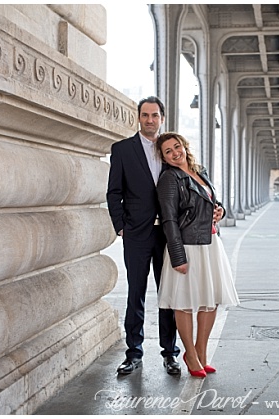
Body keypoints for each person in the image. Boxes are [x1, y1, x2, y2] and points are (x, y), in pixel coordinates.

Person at [155, 132, 240, 378]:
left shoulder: (200, 171)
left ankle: (202, 352)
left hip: (210, 242)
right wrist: (178, 256)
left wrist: (220, 211)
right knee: (184, 303)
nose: (174, 153)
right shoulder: (169, 179)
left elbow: (212, 201)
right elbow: (169, 219)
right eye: (168, 151)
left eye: (176, 147)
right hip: (187, 245)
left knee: (210, 300)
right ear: (163, 157)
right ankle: (190, 354)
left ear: (184, 146)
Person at [106, 96, 181, 375]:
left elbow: (191, 179)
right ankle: (133, 352)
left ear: (162, 118)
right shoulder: (123, 150)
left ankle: (170, 353)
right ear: (138, 117)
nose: (150, 120)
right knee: (135, 293)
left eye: (155, 115)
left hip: (168, 234)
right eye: (145, 115)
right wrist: (120, 224)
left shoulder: (172, 149)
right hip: (136, 232)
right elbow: (114, 192)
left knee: (168, 294)